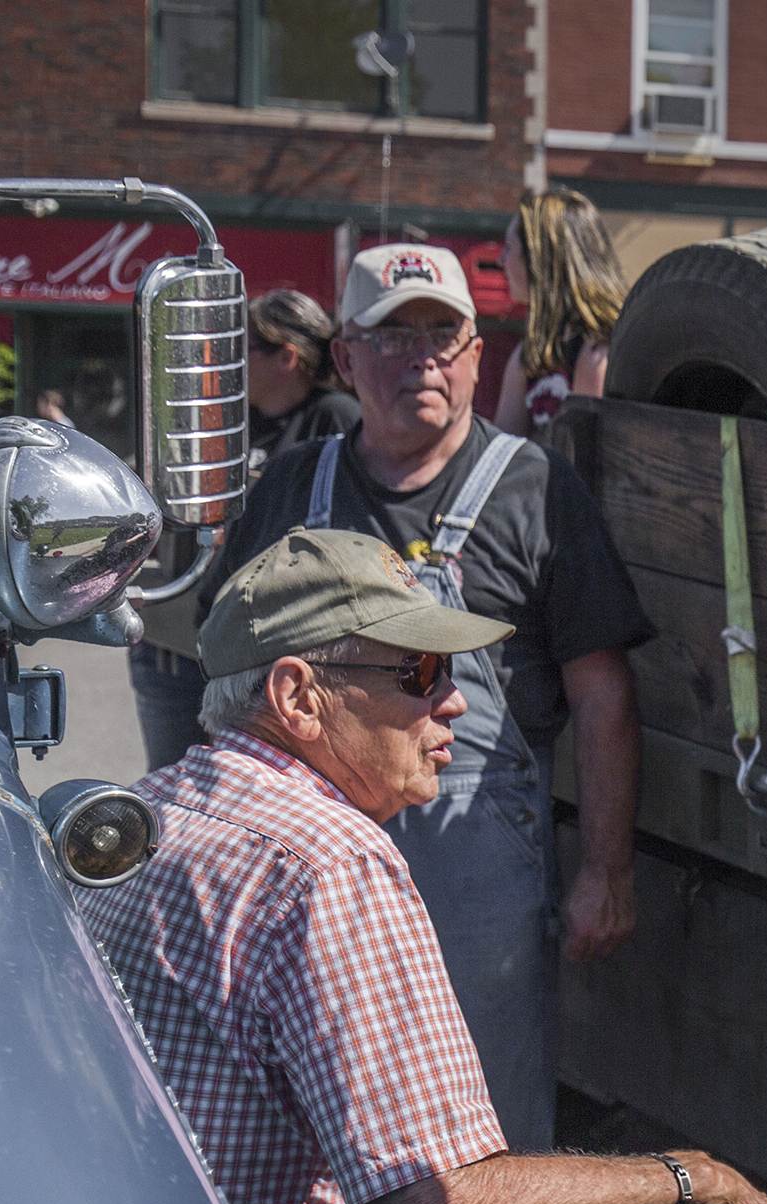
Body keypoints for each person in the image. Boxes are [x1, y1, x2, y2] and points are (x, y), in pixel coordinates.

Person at [80, 528, 767, 1204]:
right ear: (296, 696)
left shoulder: (143, 810)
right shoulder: (330, 863)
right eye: (418, 670)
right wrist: (689, 1179)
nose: (454, 700)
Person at [202, 243, 654, 1150]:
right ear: (347, 358)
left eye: (443, 337)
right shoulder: (297, 483)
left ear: (478, 353)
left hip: (473, 869)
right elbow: (226, 678)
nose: (424, 360)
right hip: (309, 860)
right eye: (393, 337)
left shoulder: (534, 490)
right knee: (310, 1106)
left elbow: (602, 698)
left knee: (482, 1127)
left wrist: (605, 870)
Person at [128, 288, 357, 773]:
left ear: (286, 357)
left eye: (241, 348)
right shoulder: (223, 417)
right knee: (174, 794)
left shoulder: (335, 419)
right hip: (180, 644)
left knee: (255, 795)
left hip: (273, 654)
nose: (227, 361)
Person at [493, 186, 628, 437]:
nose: (501, 260)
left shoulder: (596, 351)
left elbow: (585, 461)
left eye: (509, 248)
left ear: (537, 259)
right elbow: (502, 450)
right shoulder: (531, 351)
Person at [246, 288, 361, 470]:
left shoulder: (335, 415)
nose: (232, 361)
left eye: (242, 348)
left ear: (286, 358)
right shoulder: (239, 419)